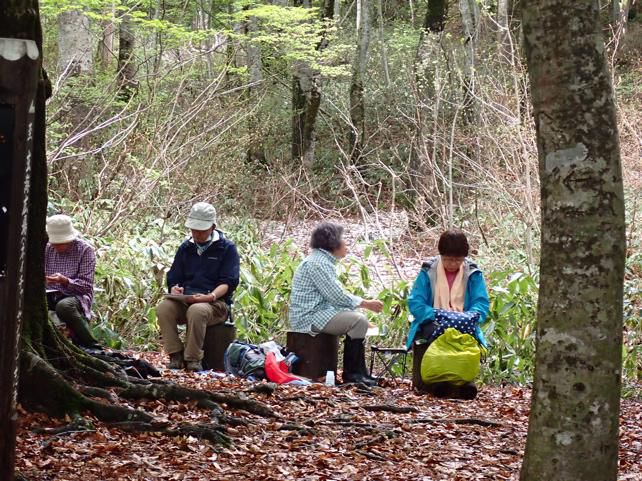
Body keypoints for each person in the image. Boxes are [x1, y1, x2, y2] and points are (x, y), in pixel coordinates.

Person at [289, 222, 383, 386]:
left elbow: (333, 299)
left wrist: (356, 314)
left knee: (359, 320)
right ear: (333, 243)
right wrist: (366, 304)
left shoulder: (322, 261)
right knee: (358, 320)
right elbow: (336, 296)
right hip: (308, 317)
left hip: (319, 313)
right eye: (344, 240)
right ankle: (353, 375)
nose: (347, 244)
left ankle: (359, 373)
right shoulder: (318, 263)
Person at [156, 202, 240, 372]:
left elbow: (229, 281)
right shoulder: (186, 248)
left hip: (216, 304)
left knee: (198, 311)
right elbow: (174, 276)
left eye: (201, 230)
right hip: (187, 299)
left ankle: (193, 359)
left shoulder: (227, 249)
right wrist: (175, 288)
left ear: (213, 227)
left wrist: (211, 297)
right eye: (194, 230)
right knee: (164, 308)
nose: (197, 234)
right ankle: (175, 354)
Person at [407, 229, 490, 398]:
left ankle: (464, 382)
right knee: (432, 335)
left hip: (463, 323)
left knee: (465, 337)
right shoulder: (428, 271)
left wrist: (468, 317)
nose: (452, 264)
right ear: (441, 255)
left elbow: (481, 303)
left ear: (464, 258)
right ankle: (437, 382)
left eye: (457, 260)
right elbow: (415, 301)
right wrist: (436, 315)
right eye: (448, 259)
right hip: (433, 321)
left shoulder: (472, 272)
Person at [45, 214, 100, 348]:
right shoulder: (47, 249)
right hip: (51, 292)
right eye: (54, 243)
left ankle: (91, 344)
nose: (56, 246)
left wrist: (65, 281)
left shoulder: (85, 250)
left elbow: (86, 286)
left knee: (64, 307)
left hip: (76, 294)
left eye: (60, 243)